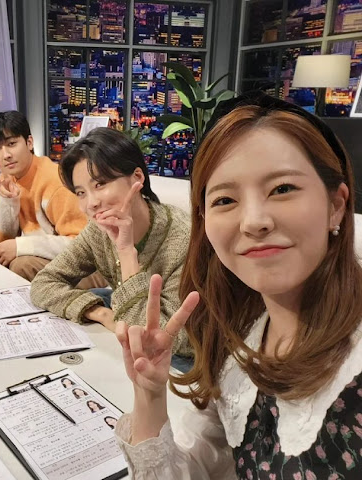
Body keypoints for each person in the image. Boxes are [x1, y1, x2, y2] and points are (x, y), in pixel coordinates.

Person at [114, 91, 362, 479]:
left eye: (282, 189)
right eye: (225, 200)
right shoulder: (238, 340)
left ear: (336, 205)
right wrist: (149, 393)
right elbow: (198, 470)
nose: (253, 221)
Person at [30, 127, 192, 359]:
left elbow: (156, 339)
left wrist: (126, 251)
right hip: (130, 324)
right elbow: (43, 283)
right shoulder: (99, 230)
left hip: (183, 354)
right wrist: (101, 314)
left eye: (100, 184)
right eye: (81, 193)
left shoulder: (183, 239)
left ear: (137, 178)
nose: (91, 203)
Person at [0, 110, 106, 287]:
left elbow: (82, 244)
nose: (5, 155)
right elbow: (2, 238)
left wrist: (21, 247)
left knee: (22, 265)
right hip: (48, 252)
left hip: (87, 266)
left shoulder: (55, 181)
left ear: (29, 142)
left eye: (12, 144)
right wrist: (7, 201)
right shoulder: (8, 177)